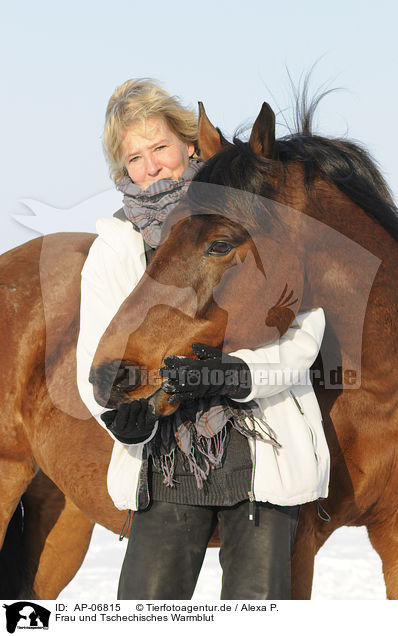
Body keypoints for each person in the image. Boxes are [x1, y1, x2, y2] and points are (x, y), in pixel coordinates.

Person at [76, 78, 330, 600]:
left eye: (161, 147)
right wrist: (123, 415)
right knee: (145, 615)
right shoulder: (115, 248)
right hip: (166, 459)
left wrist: (234, 374)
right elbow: (94, 363)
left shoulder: (255, 208)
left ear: (190, 145)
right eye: (135, 158)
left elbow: (305, 335)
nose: (152, 166)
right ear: (123, 170)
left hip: (262, 451)